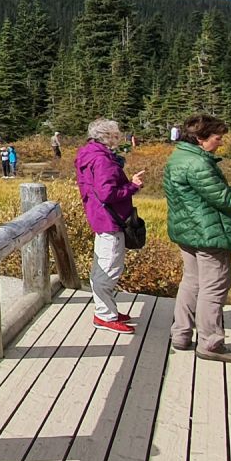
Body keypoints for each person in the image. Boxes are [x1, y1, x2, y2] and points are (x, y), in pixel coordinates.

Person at [164, 114, 231, 362]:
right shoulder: (198, 164)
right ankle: (210, 344)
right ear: (200, 138)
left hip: (187, 232)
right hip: (209, 234)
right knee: (213, 288)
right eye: (217, 137)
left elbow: (212, 195)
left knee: (192, 282)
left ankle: (181, 334)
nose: (221, 142)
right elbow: (226, 200)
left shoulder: (179, 157)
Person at [76, 119, 144, 334]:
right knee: (109, 268)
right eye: (116, 134)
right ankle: (105, 316)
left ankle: (107, 310)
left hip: (100, 217)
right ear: (107, 137)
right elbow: (107, 194)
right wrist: (133, 186)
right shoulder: (102, 160)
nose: (119, 137)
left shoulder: (89, 154)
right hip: (109, 220)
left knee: (103, 265)